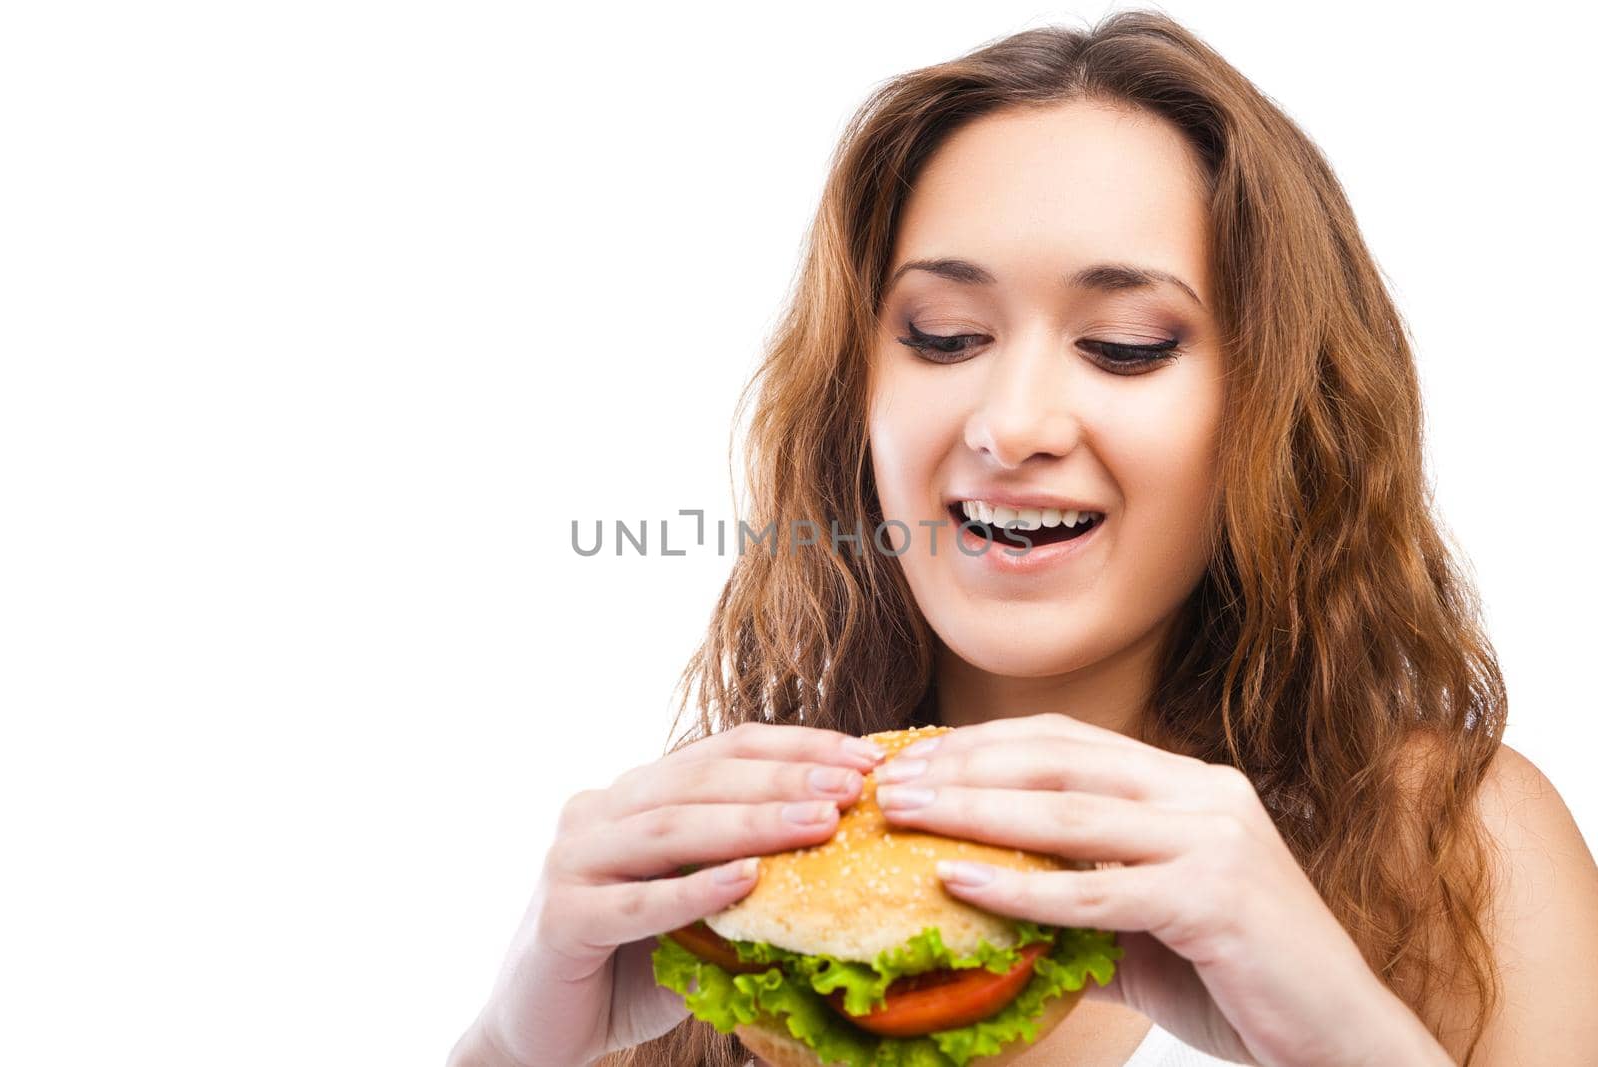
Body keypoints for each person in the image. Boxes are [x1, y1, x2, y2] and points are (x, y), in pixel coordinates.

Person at [446, 12, 1598, 1067]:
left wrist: (1341, 1031)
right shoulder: (739, 874)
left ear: (1272, 408)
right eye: (944, 337)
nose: (1010, 426)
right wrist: (508, 1043)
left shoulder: (1454, 845)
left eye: (1127, 346)